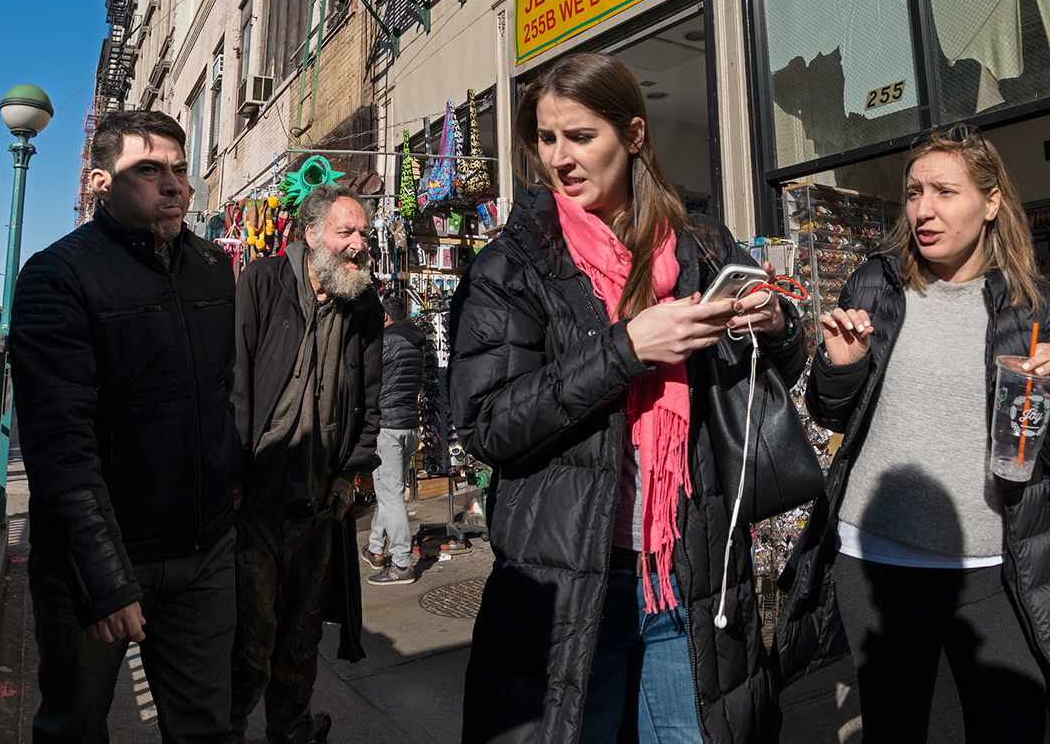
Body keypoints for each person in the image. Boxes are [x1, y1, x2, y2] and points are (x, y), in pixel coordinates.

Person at [448, 52, 806, 744]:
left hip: (689, 577)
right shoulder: (512, 264)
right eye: (547, 139)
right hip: (573, 586)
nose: (560, 158)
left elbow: (764, 382)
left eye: (581, 137)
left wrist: (777, 325)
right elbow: (487, 422)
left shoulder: (700, 246)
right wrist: (628, 347)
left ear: (634, 135)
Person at [773, 125, 1050, 743]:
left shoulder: (1032, 307)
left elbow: (1037, 445)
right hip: (878, 558)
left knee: (1015, 725)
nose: (923, 209)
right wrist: (839, 369)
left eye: (945, 192)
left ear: (992, 200)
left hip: (995, 564)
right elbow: (830, 412)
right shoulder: (877, 281)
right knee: (896, 729)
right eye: (914, 191)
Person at [9, 110, 240, 744]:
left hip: (202, 552)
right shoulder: (58, 277)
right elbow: (59, 445)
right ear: (99, 182)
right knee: (75, 725)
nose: (173, 184)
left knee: (205, 727)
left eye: (179, 169)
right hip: (96, 560)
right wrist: (104, 579)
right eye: (148, 170)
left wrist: (229, 495)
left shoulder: (214, 269)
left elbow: (223, 396)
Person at [229, 183, 384, 744]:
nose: (359, 244)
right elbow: (235, 386)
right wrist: (233, 477)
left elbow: (372, 399)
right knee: (250, 642)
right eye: (348, 232)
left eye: (363, 233)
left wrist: (349, 475)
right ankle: (228, 731)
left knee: (300, 641)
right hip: (256, 504)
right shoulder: (262, 284)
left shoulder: (364, 306)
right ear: (311, 234)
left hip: (318, 508)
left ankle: (291, 732)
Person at [361, 294, 427, 585]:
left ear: (385, 317)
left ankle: (401, 564)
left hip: (388, 427)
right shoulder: (417, 344)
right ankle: (376, 549)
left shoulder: (385, 342)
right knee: (388, 493)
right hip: (410, 426)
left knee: (390, 497)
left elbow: (367, 382)